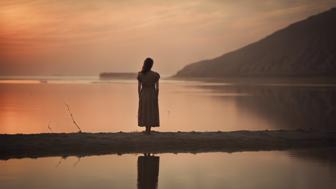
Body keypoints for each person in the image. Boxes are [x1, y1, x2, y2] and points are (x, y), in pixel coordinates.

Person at [137, 57, 160, 134]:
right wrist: (156, 96)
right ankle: (149, 130)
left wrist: (139, 95)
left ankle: (146, 129)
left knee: (144, 110)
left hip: (144, 93)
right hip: (152, 93)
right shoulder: (155, 75)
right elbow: (157, 88)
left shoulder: (140, 74)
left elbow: (139, 87)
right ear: (151, 65)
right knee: (151, 111)